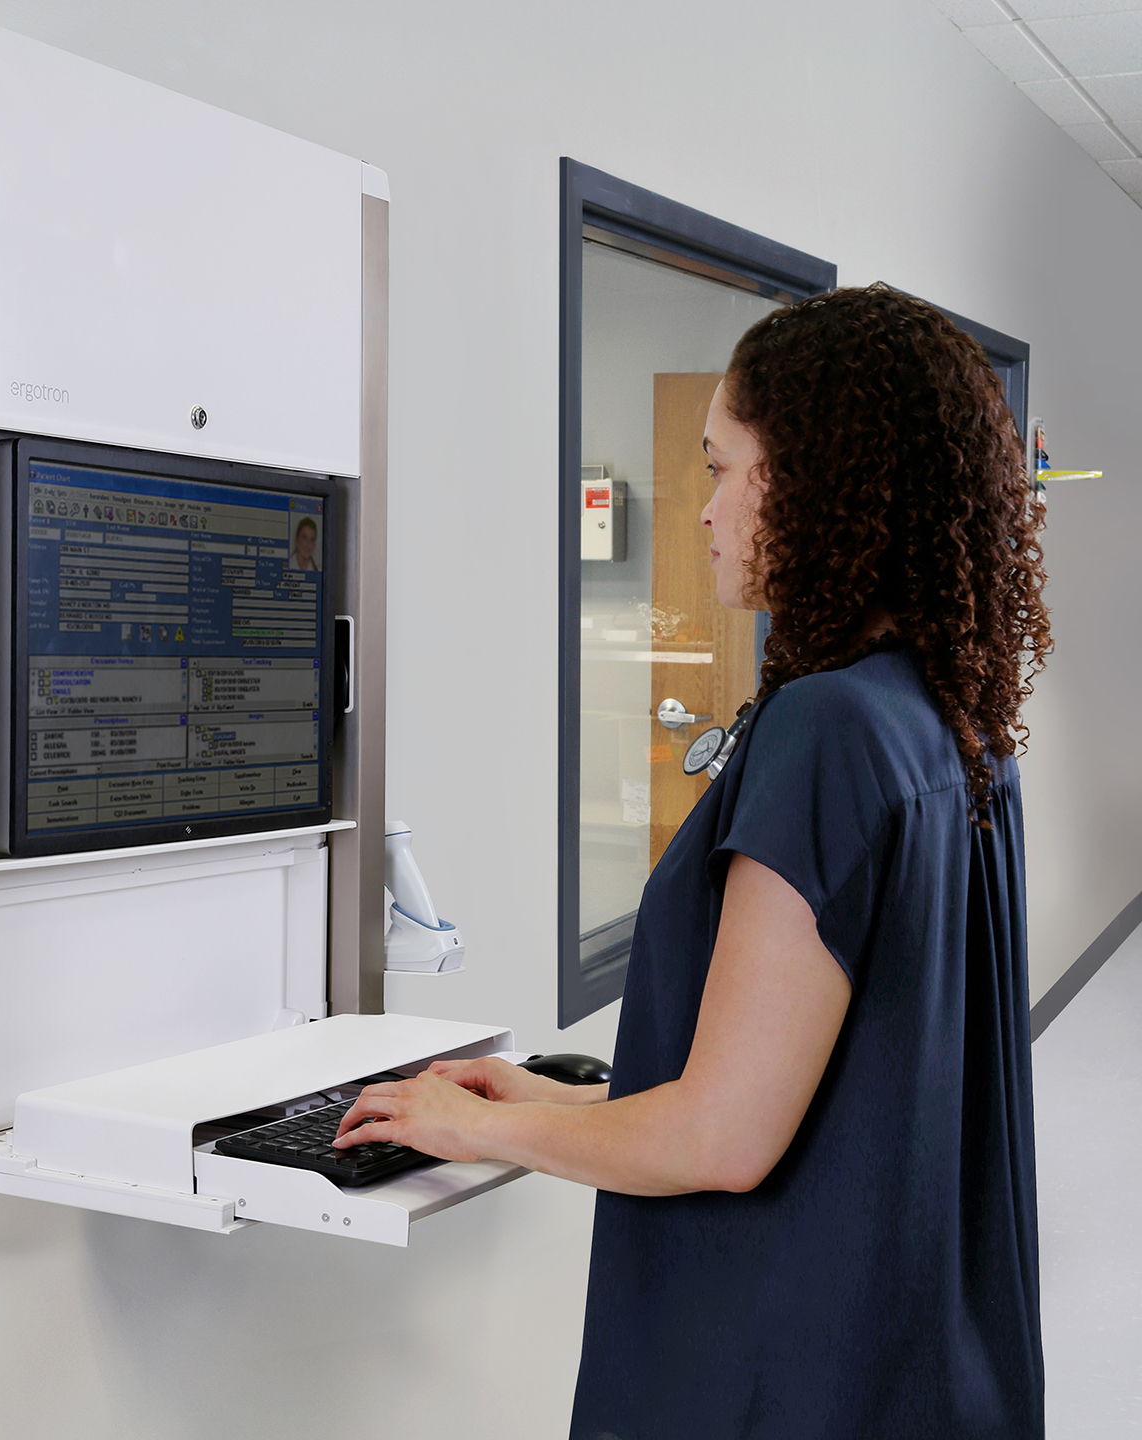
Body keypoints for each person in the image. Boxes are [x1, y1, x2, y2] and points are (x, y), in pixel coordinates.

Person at [334, 285, 1050, 1438]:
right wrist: (558, 1097)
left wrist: (468, 1126)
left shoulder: (825, 732)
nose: (705, 510)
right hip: (922, 1372)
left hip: (783, 1376)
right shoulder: (950, 726)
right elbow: (841, 1085)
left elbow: (722, 1138)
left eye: (721, 468)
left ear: (812, 479)